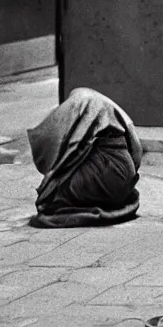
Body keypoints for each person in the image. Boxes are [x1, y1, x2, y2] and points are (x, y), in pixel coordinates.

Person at [27, 87, 142, 228]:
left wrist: (50, 183)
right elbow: (137, 151)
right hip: (126, 178)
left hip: (107, 174)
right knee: (59, 184)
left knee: (52, 198)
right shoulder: (114, 111)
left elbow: (53, 144)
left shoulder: (82, 108)